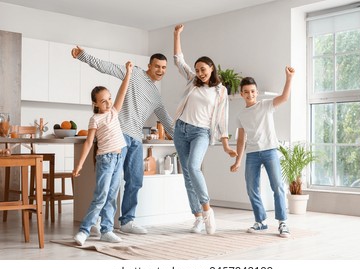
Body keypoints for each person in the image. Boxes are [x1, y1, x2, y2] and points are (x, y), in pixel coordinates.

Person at [71, 46, 174, 235]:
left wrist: (184, 138)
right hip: (118, 134)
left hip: (136, 139)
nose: (160, 70)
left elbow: (167, 120)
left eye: (164, 67)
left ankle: (127, 221)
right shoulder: (134, 73)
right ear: (149, 66)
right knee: (110, 183)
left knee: (135, 180)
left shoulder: (156, 96)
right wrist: (83, 56)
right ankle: (100, 222)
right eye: (157, 66)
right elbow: (106, 67)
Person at [173, 24, 237, 235]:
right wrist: (177, 35)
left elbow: (222, 119)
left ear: (212, 69)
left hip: (201, 132)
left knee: (194, 167)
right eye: (198, 69)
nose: (200, 73)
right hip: (181, 130)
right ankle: (197, 217)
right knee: (187, 175)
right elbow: (178, 61)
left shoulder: (220, 91)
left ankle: (208, 211)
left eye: (203, 69)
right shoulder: (192, 81)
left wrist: (226, 145)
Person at [73, 61, 133, 245]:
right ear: (95, 104)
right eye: (103, 100)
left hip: (118, 157)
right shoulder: (95, 119)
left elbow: (123, 91)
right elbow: (89, 142)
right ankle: (84, 231)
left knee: (112, 196)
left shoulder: (114, 112)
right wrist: (80, 165)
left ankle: (106, 230)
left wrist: (128, 73)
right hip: (105, 160)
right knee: (101, 196)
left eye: (109, 98)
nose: (108, 103)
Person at [230, 67, 295, 238]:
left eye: (252, 91)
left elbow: (284, 97)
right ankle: (261, 222)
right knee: (252, 188)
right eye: (246, 92)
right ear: (241, 94)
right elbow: (241, 140)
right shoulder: (240, 115)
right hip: (252, 154)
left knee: (278, 187)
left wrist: (289, 78)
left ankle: (283, 223)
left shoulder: (266, 106)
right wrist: (237, 161)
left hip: (270, 151)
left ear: (257, 92)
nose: (250, 94)